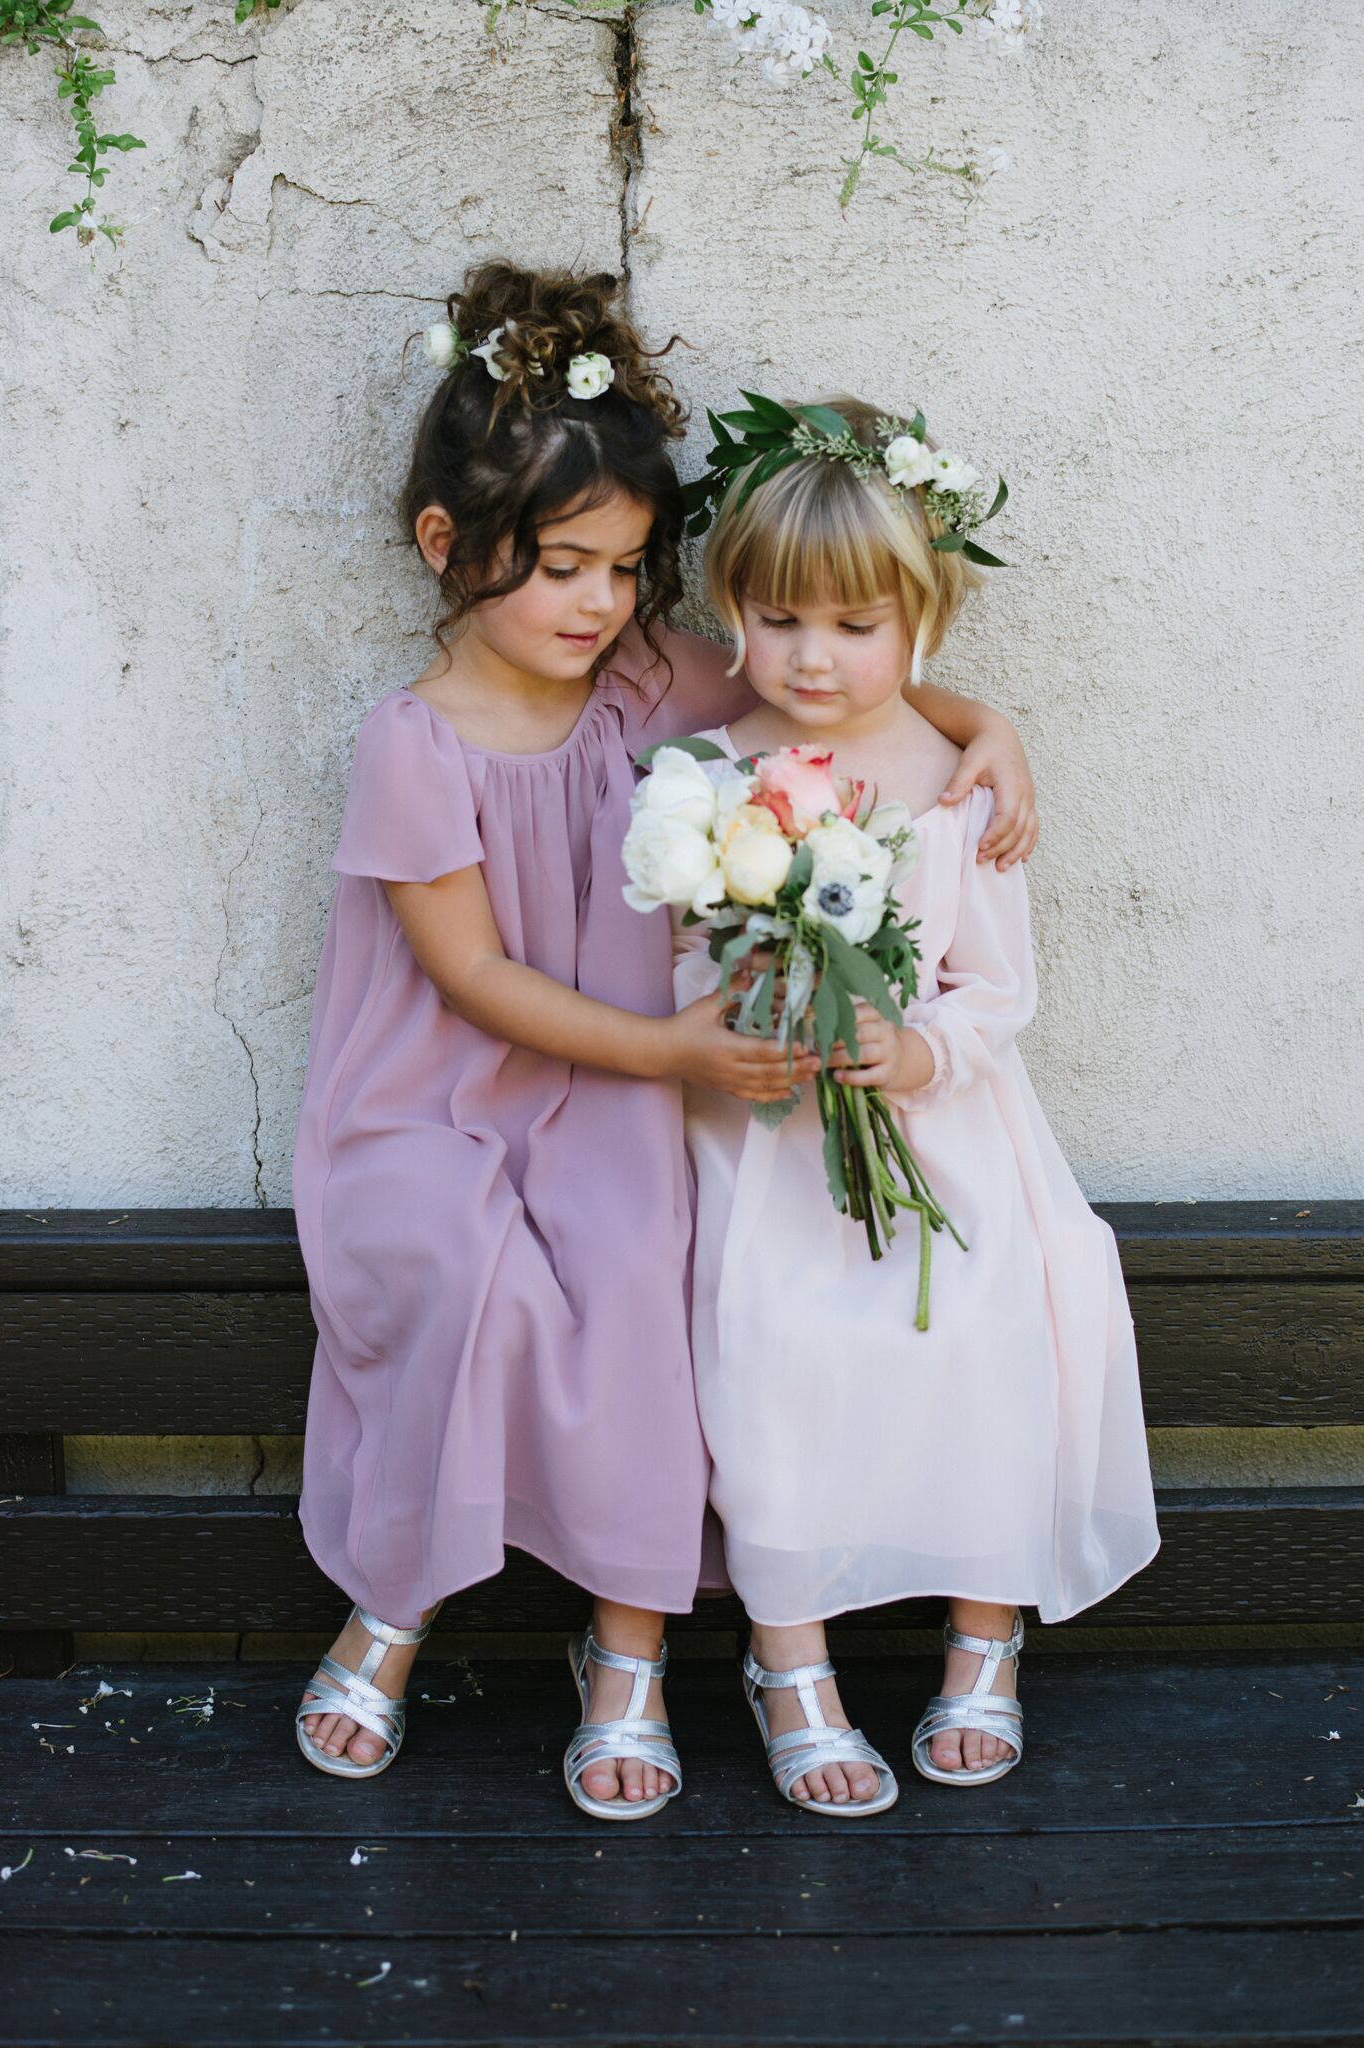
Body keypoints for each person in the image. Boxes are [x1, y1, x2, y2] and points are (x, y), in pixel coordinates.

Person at [293, 268, 1041, 1818]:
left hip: (620, 1104)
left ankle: (624, 1647)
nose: (599, 606)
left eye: (629, 569)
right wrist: (679, 1052)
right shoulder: (412, 741)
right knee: (463, 1263)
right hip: (442, 1099)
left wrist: (989, 730)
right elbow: (476, 978)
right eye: (562, 567)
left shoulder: (651, 678)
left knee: (640, 1267)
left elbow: (835, 681)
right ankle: (395, 1603)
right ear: (448, 546)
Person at [674, 393, 1159, 1813]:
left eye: (856, 626)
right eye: (776, 620)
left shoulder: (959, 785)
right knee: (770, 1351)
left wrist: (920, 1052)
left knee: (992, 1326)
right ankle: (792, 1663)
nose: (813, 658)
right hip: (766, 1144)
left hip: (939, 1143)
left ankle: (985, 1633)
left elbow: (996, 992)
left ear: (925, 619)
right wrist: (748, 1012)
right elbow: (672, 948)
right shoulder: (704, 778)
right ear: (730, 612)